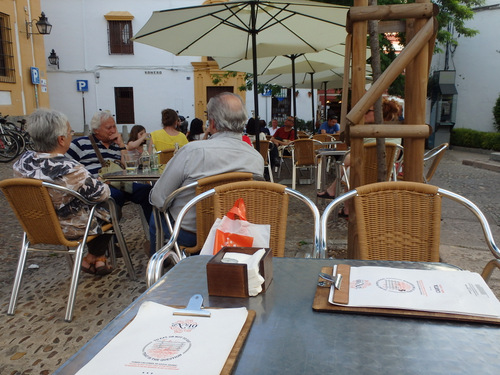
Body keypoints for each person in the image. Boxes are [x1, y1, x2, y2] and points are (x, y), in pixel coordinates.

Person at [149, 92, 265, 255]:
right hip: (233, 234)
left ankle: (162, 270)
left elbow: (159, 198)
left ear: (212, 123)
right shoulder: (256, 159)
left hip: (191, 236)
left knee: (155, 217)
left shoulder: (191, 151)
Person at [14, 108, 113, 275]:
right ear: (61, 139)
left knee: (97, 209)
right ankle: (92, 257)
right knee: (109, 208)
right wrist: (99, 182)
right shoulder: (70, 169)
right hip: (69, 227)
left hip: (36, 225)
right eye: (70, 132)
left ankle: (96, 259)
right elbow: (103, 193)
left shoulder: (22, 162)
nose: (71, 135)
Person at [66, 111, 152, 222]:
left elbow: (128, 167)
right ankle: (113, 235)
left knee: (148, 192)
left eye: (114, 126)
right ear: (96, 130)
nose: (113, 130)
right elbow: (65, 164)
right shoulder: (81, 144)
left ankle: (155, 232)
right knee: (116, 196)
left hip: (121, 184)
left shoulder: (116, 145)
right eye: (108, 128)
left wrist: (121, 145)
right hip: (97, 187)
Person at [317, 99, 402, 201]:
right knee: (350, 167)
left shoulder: (366, 132)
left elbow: (352, 156)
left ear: (379, 113)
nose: (363, 114)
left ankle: (340, 201)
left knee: (349, 167)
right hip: (388, 173)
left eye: (366, 111)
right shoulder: (397, 132)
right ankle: (337, 197)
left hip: (364, 172)